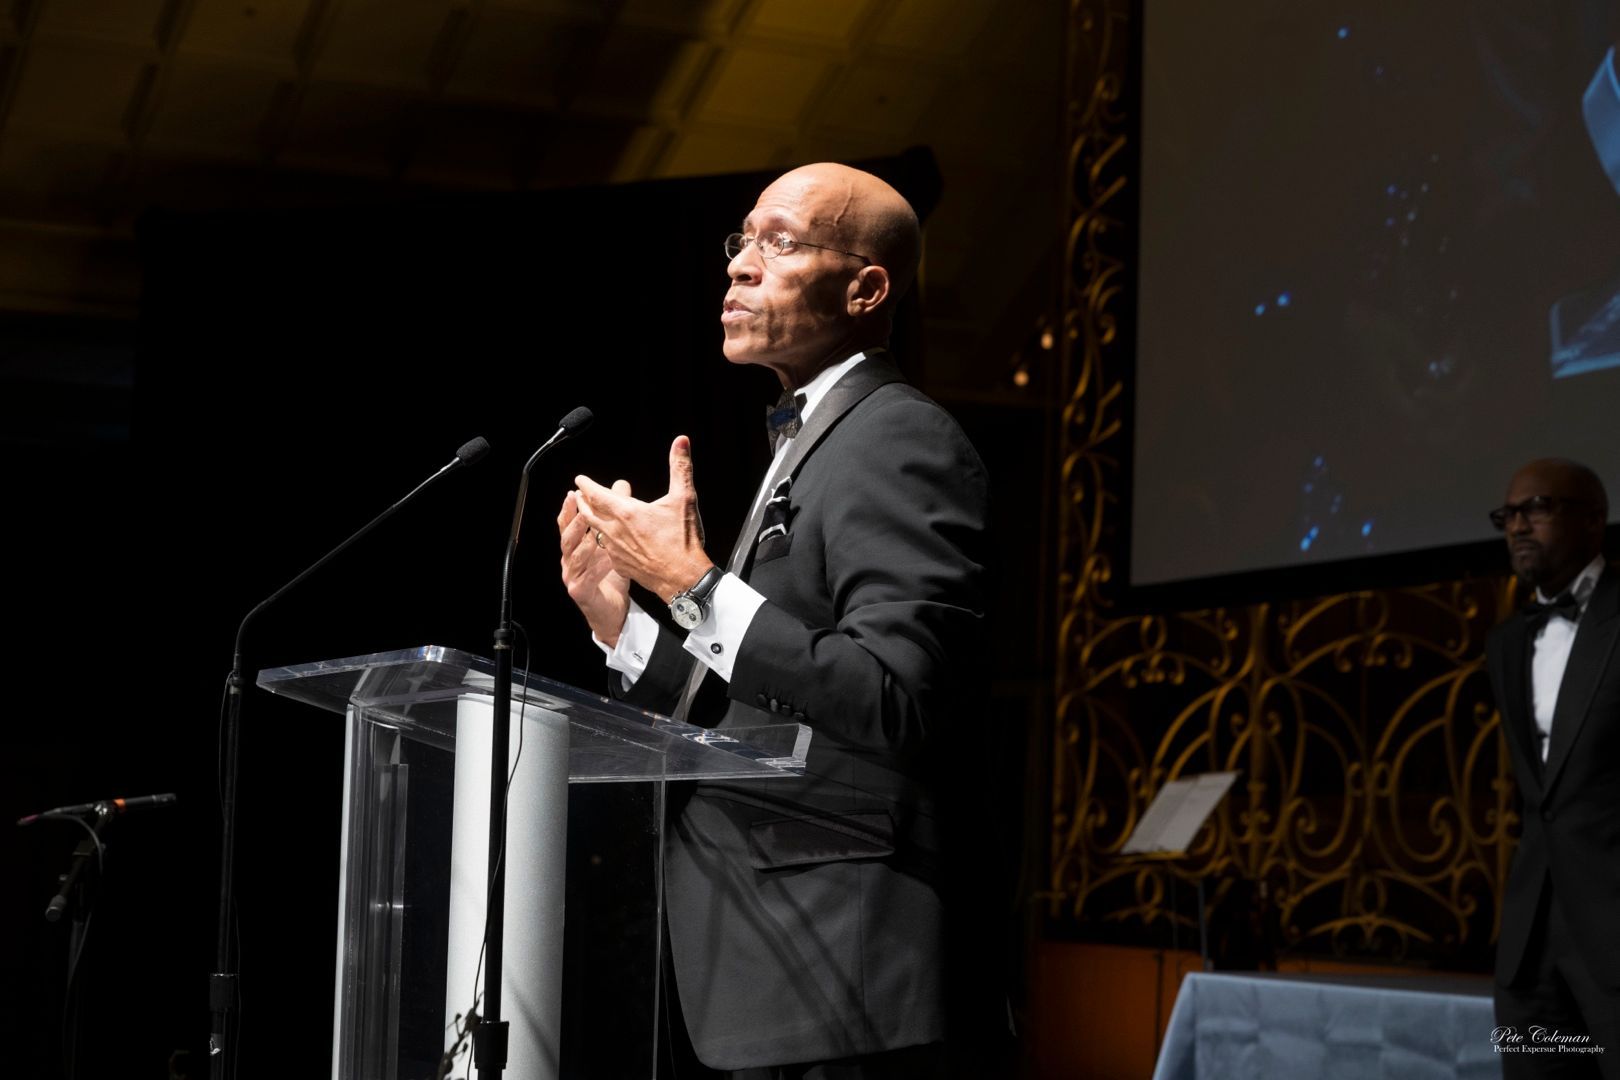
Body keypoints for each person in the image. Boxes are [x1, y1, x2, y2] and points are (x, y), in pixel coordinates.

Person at [555, 163, 993, 1079]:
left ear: (867, 289)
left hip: (847, 977)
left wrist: (696, 586)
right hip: (775, 970)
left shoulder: (896, 434)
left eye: (781, 242)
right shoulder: (810, 438)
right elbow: (759, 717)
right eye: (743, 239)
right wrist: (623, 622)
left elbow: (896, 696)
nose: (741, 265)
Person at [1486, 458, 1618, 1077]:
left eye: (1537, 508)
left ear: (1594, 520)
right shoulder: (1506, 641)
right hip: (1530, 950)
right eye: (1509, 515)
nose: (1518, 525)